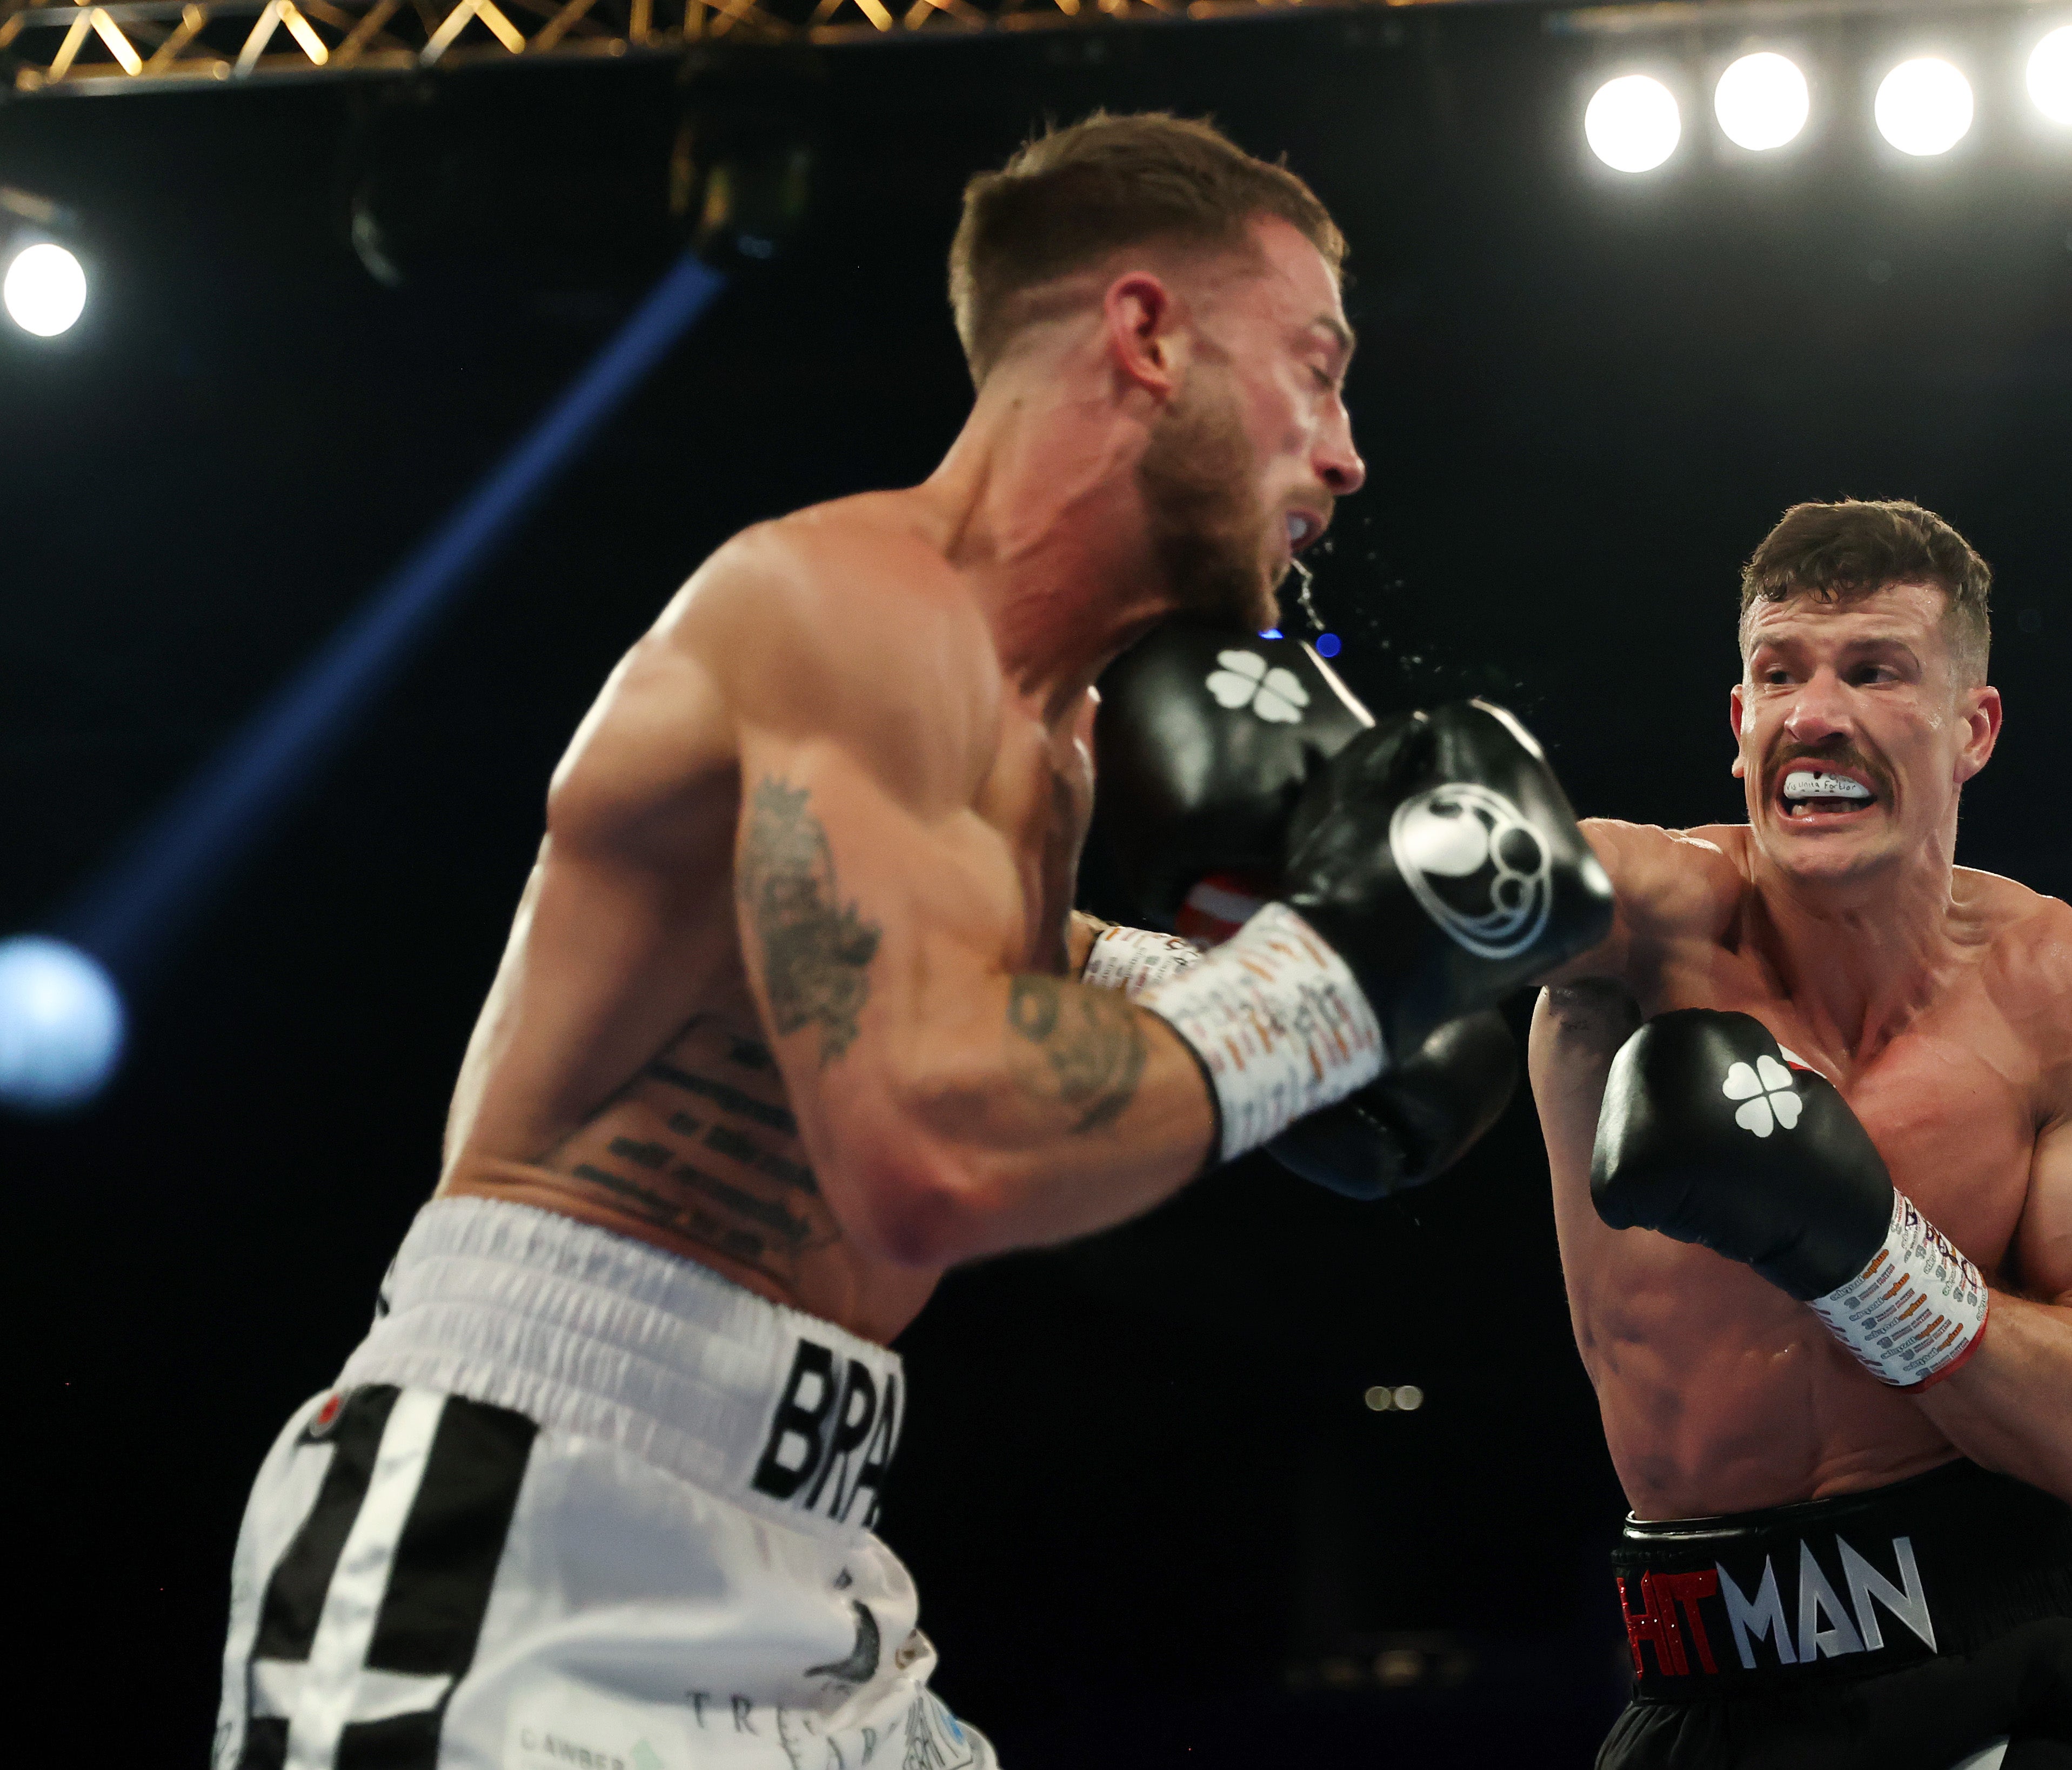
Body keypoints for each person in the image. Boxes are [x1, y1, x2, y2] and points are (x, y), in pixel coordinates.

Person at [213, 112, 1606, 1770]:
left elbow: (967, 972)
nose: (1345, 450)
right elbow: (927, 1146)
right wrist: (1338, 985)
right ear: (1146, 333)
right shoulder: (843, 604)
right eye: (1316, 368)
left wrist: (1304, 986)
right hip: (528, 1533)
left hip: (811, 1558)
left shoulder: (1051, 738)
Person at [1532, 499, 2072, 1770]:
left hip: (2009, 1669)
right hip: (1705, 1689)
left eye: (1875, 671)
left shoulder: (2068, 995)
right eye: (1779, 674)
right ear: (1739, 724)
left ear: (1973, 729)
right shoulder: (1648, 933)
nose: (1815, 713)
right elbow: (1481, 884)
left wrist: (1865, 1255)